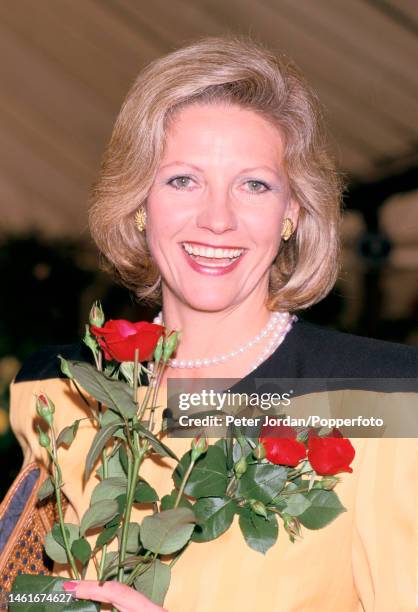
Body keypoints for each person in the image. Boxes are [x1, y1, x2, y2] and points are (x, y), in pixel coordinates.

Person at [1, 35, 418, 611]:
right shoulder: (56, 389)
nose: (217, 219)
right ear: (139, 203)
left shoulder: (386, 400)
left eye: (254, 184)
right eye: (182, 180)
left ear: (292, 213)